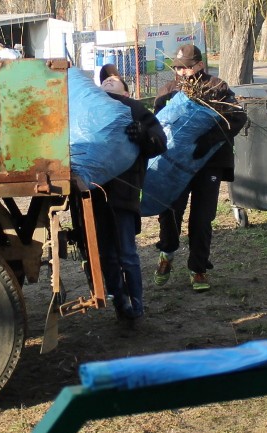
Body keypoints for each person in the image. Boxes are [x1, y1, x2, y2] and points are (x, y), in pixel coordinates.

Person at [152, 44, 247, 292]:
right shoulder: (168, 90)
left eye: (186, 67)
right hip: (176, 165)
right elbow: (158, 125)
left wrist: (208, 140)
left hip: (209, 163)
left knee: (202, 218)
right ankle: (167, 252)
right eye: (178, 68)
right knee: (171, 213)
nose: (182, 72)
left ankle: (198, 269)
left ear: (200, 65)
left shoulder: (217, 88)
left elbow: (238, 117)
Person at [95, 66, 168, 329]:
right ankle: (119, 304)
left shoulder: (136, 110)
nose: (108, 81)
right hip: (94, 196)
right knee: (106, 254)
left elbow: (160, 143)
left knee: (127, 253)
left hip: (123, 194)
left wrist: (143, 136)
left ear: (127, 92)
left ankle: (136, 305)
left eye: (114, 80)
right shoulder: (91, 111)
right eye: (104, 80)